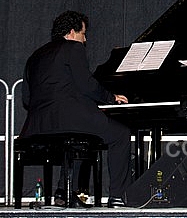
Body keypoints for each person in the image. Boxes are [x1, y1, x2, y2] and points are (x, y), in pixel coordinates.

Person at [20, 11, 131, 208]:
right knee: (121, 134)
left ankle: (63, 192)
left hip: (37, 125)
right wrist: (110, 98)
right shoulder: (73, 48)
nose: (85, 39)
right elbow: (87, 84)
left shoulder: (35, 56)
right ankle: (117, 196)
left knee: (78, 139)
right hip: (70, 118)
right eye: (83, 34)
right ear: (72, 32)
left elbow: (27, 99)